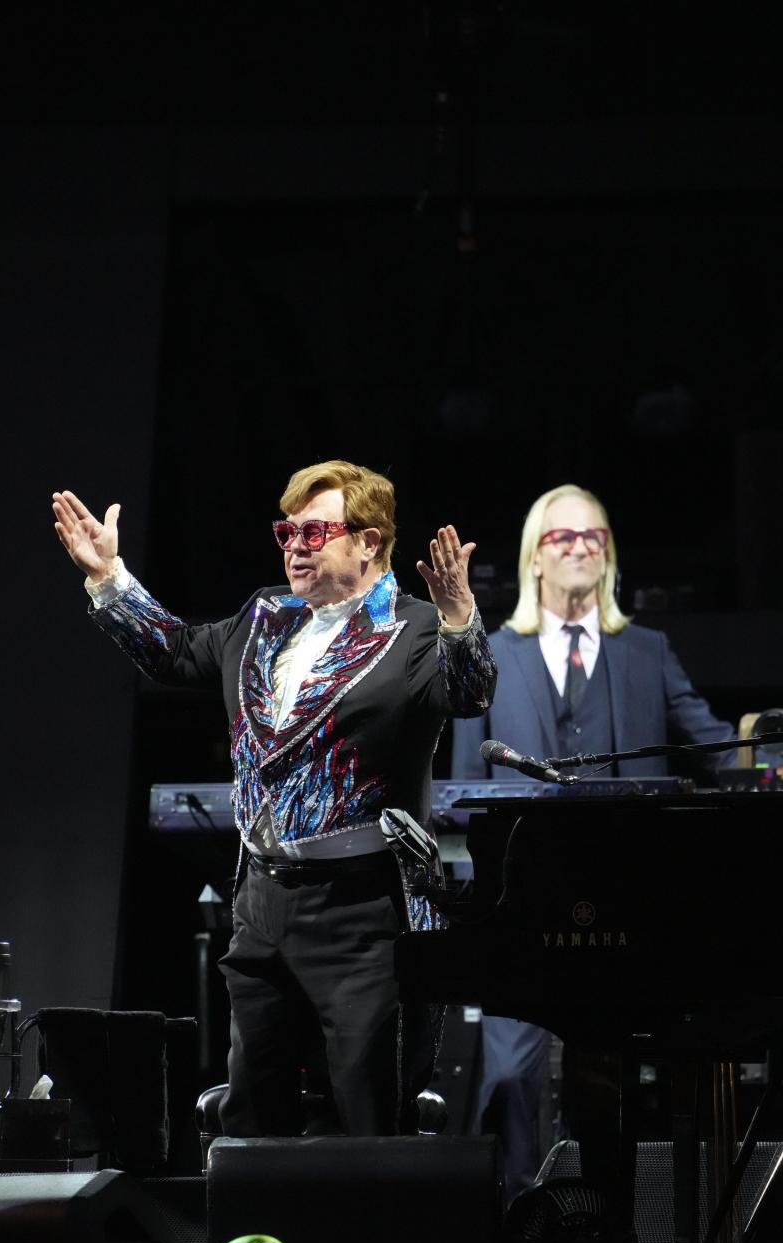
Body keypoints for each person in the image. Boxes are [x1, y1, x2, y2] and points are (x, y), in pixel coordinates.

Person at [53, 460, 497, 1137]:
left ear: (368, 542)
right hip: (263, 903)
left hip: (361, 910)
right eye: (286, 532)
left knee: (366, 1110)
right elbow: (174, 653)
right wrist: (108, 577)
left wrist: (460, 616)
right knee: (254, 1109)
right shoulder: (264, 617)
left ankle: (371, 1242)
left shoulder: (412, 629)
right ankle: (262, 1239)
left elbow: (468, 695)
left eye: (313, 534)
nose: (293, 546)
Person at [450, 482, 738, 1199]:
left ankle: (617, 1235)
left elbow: (717, 748)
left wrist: (767, 757)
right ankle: (528, 1235)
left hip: (629, 897)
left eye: (594, 538)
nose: (580, 548)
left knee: (607, 1077)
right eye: (563, 537)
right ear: (535, 558)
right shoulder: (490, 654)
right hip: (520, 901)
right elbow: (461, 791)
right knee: (514, 1076)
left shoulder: (646, 651)